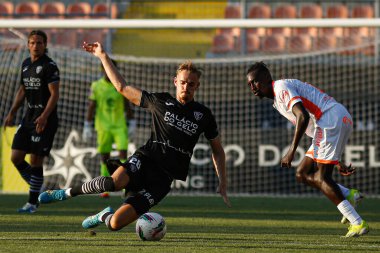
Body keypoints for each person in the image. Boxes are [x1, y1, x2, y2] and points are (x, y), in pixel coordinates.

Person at [39, 42, 230, 231]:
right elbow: (122, 87)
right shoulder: (161, 101)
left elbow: (218, 151)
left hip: (164, 179)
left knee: (115, 224)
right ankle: (65, 193)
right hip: (146, 159)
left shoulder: (204, 115)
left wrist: (222, 181)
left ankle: (104, 215)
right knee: (114, 182)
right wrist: (103, 56)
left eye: (191, 84)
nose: (185, 87)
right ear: (175, 82)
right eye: (182, 82)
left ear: (197, 86)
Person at [245, 61, 368, 238]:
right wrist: (337, 159)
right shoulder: (278, 99)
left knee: (322, 177)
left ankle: (357, 222)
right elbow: (310, 126)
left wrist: (291, 150)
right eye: (249, 84)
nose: (252, 87)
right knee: (302, 173)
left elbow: (302, 116)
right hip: (331, 120)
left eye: (255, 81)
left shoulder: (280, 88)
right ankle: (349, 195)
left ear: (266, 77)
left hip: (329, 118)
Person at [3, 30, 60, 213]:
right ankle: (39, 189)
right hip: (28, 118)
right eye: (33, 42)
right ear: (28, 45)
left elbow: (55, 94)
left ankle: (32, 202)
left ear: (45, 45)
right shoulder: (26, 64)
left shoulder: (50, 66)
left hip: (45, 120)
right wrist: (12, 112)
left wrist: (44, 116)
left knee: (36, 160)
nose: (36, 46)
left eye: (40, 43)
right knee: (16, 157)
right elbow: (22, 90)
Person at [82, 59, 135, 198]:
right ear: (103, 69)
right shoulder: (96, 85)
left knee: (123, 154)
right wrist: (87, 125)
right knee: (104, 156)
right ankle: (104, 187)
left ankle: (126, 186)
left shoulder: (120, 85)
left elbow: (127, 104)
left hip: (119, 126)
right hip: (103, 127)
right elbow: (91, 106)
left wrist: (132, 121)